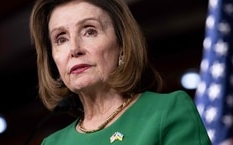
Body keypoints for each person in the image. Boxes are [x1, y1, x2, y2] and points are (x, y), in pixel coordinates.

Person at [29, 0, 212, 144]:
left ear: (122, 45)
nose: (74, 49)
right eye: (61, 39)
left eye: (89, 31)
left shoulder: (167, 111)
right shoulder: (52, 142)